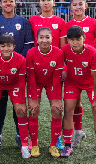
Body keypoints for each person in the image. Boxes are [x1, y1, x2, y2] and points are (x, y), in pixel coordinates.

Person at [0, 0, 34, 150]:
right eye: (5, 1)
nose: (8, 3)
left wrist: (15, 62)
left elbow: (28, 46)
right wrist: (2, 63)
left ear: (16, 3)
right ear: (0, 4)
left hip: (18, 71)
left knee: (18, 105)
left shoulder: (23, 22)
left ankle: (20, 135)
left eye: (11, 1)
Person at [65, 0, 96, 148]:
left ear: (86, 6)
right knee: (74, 105)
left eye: (80, 4)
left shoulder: (94, 23)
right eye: (75, 5)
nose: (78, 7)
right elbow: (63, 50)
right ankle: (77, 133)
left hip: (92, 72)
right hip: (74, 73)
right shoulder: (68, 25)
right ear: (71, 8)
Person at [61, 25, 96, 160]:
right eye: (72, 40)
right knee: (68, 110)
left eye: (78, 39)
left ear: (84, 38)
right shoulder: (64, 50)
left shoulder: (92, 52)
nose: (75, 42)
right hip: (72, 82)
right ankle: (68, 145)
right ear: (68, 40)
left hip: (90, 83)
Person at [0, 34, 30, 158]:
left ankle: (24, 146)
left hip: (14, 84)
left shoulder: (20, 59)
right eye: (3, 46)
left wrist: (20, 101)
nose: (6, 49)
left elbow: (20, 82)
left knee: (21, 110)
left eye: (9, 46)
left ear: (14, 46)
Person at [26, 27, 64, 157]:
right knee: (33, 109)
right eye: (41, 37)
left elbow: (56, 78)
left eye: (47, 37)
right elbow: (30, 77)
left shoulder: (58, 53)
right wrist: (32, 98)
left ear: (52, 39)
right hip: (35, 82)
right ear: (36, 39)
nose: (44, 40)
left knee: (57, 110)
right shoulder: (31, 53)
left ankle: (53, 145)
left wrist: (57, 99)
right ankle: (34, 144)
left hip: (51, 83)